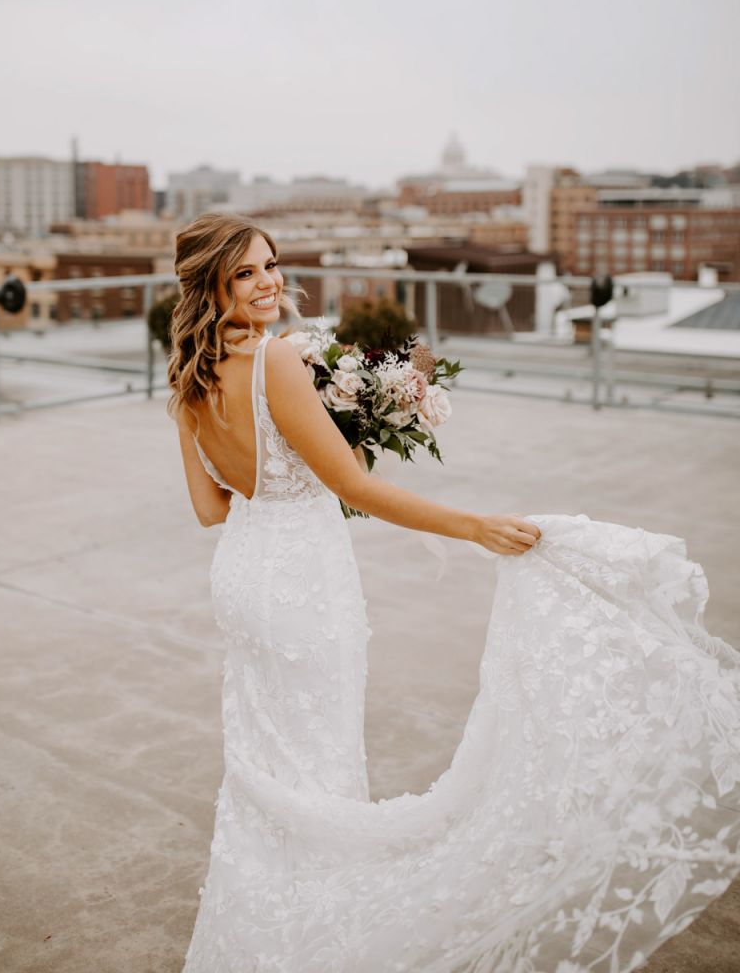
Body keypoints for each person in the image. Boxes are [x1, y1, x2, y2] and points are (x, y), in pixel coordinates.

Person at [170, 213, 739, 973]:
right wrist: (474, 526)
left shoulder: (186, 379)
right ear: (212, 283)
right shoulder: (277, 362)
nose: (269, 281)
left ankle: (257, 938)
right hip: (303, 584)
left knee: (266, 767)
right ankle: (314, 943)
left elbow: (211, 508)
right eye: (245, 272)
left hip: (243, 577)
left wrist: (279, 467)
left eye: (271, 264)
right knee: (322, 762)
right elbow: (351, 486)